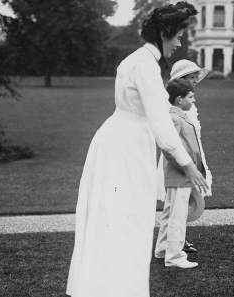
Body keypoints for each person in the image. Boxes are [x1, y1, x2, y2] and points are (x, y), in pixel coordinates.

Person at [66, 3, 208, 297]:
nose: (180, 42)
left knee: (119, 218)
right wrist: (189, 165)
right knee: (128, 220)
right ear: (164, 34)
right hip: (126, 147)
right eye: (178, 36)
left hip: (120, 140)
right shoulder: (144, 65)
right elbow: (161, 123)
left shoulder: (136, 60)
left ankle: (108, 287)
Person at [154, 79, 208, 268]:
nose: (194, 100)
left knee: (170, 212)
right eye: (191, 97)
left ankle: (162, 249)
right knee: (178, 215)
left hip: (181, 175)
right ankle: (174, 256)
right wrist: (187, 168)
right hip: (180, 175)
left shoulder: (178, 114)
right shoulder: (174, 117)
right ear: (179, 99)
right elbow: (169, 148)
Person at [168, 59, 210, 254]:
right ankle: (175, 246)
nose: (195, 81)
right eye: (191, 78)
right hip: (180, 156)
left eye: (195, 78)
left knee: (184, 200)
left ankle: (177, 240)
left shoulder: (189, 103)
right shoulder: (176, 107)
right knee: (177, 203)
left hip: (193, 152)